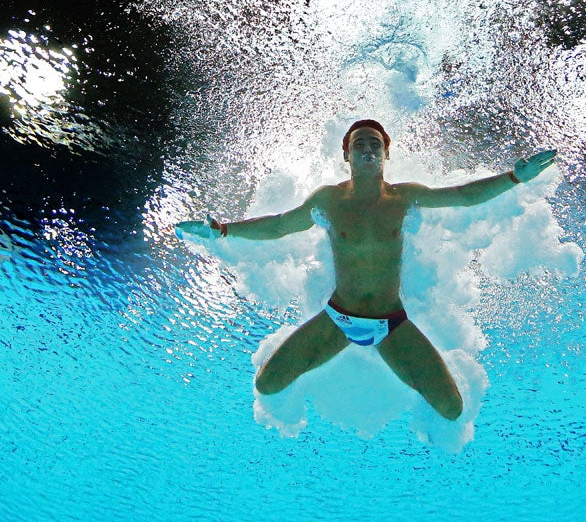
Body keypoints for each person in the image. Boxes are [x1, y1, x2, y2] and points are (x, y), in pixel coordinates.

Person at [175, 119, 557, 421]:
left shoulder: (404, 197)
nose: (368, 148)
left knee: (452, 409)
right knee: (268, 384)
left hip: (392, 322)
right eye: (359, 144)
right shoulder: (330, 200)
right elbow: (278, 224)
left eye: (375, 143)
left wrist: (514, 178)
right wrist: (222, 231)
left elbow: (460, 196)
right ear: (347, 154)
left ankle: (392, 384)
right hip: (339, 318)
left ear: (386, 153)